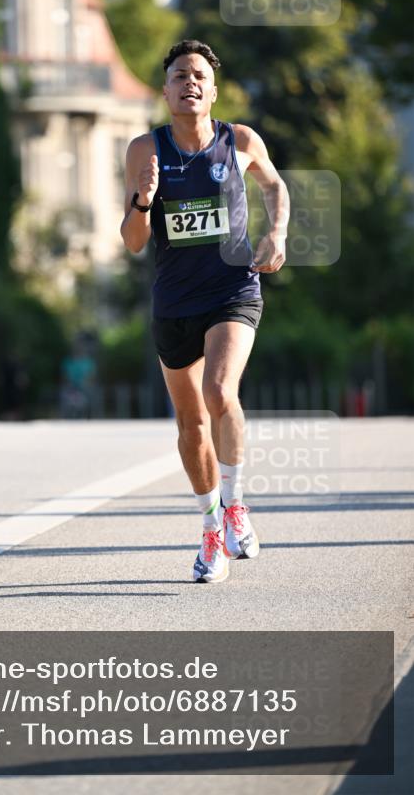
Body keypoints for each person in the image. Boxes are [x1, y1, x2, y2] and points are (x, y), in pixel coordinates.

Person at [121, 40, 289, 583]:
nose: (189, 83)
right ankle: (211, 525)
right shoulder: (145, 150)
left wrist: (278, 233)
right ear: (165, 91)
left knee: (220, 393)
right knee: (191, 424)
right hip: (174, 304)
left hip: (232, 291)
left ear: (212, 91)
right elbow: (132, 242)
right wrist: (144, 201)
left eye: (198, 76)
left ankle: (237, 505)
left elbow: (275, 185)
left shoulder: (238, 140)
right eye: (178, 76)